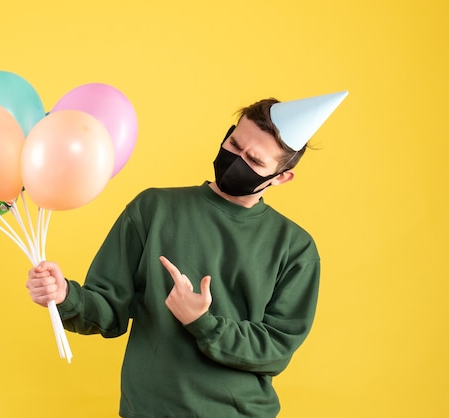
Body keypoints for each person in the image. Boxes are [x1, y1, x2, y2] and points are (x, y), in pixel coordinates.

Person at [26, 91, 348, 417]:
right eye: (235, 145)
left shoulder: (295, 248)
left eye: (255, 161)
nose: (237, 159)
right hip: (148, 410)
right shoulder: (153, 209)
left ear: (281, 177)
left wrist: (202, 323)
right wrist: (64, 295)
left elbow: (276, 349)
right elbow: (108, 307)